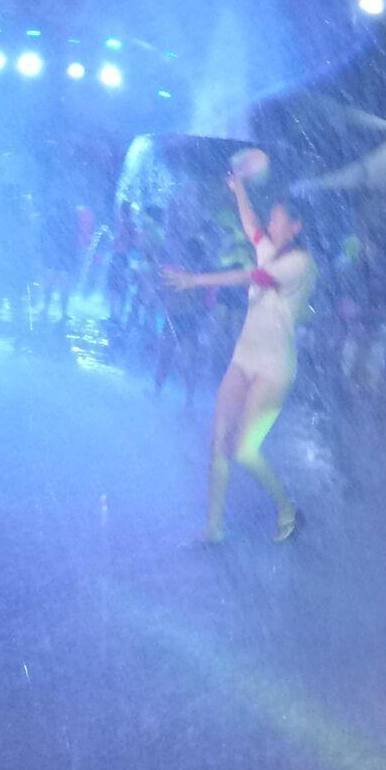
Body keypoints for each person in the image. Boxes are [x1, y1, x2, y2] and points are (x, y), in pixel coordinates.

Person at [162, 172, 314, 545]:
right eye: (272, 217)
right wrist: (239, 189)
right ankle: (213, 529)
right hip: (244, 358)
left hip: (274, 368)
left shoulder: (301, 264)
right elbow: (252, 227)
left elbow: (252, 276)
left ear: (295, 227)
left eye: (278, 219)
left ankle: (288, 508)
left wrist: (195, 280)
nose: (271, 224)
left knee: (245, 451)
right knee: (219, 441)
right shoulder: (270, 250)